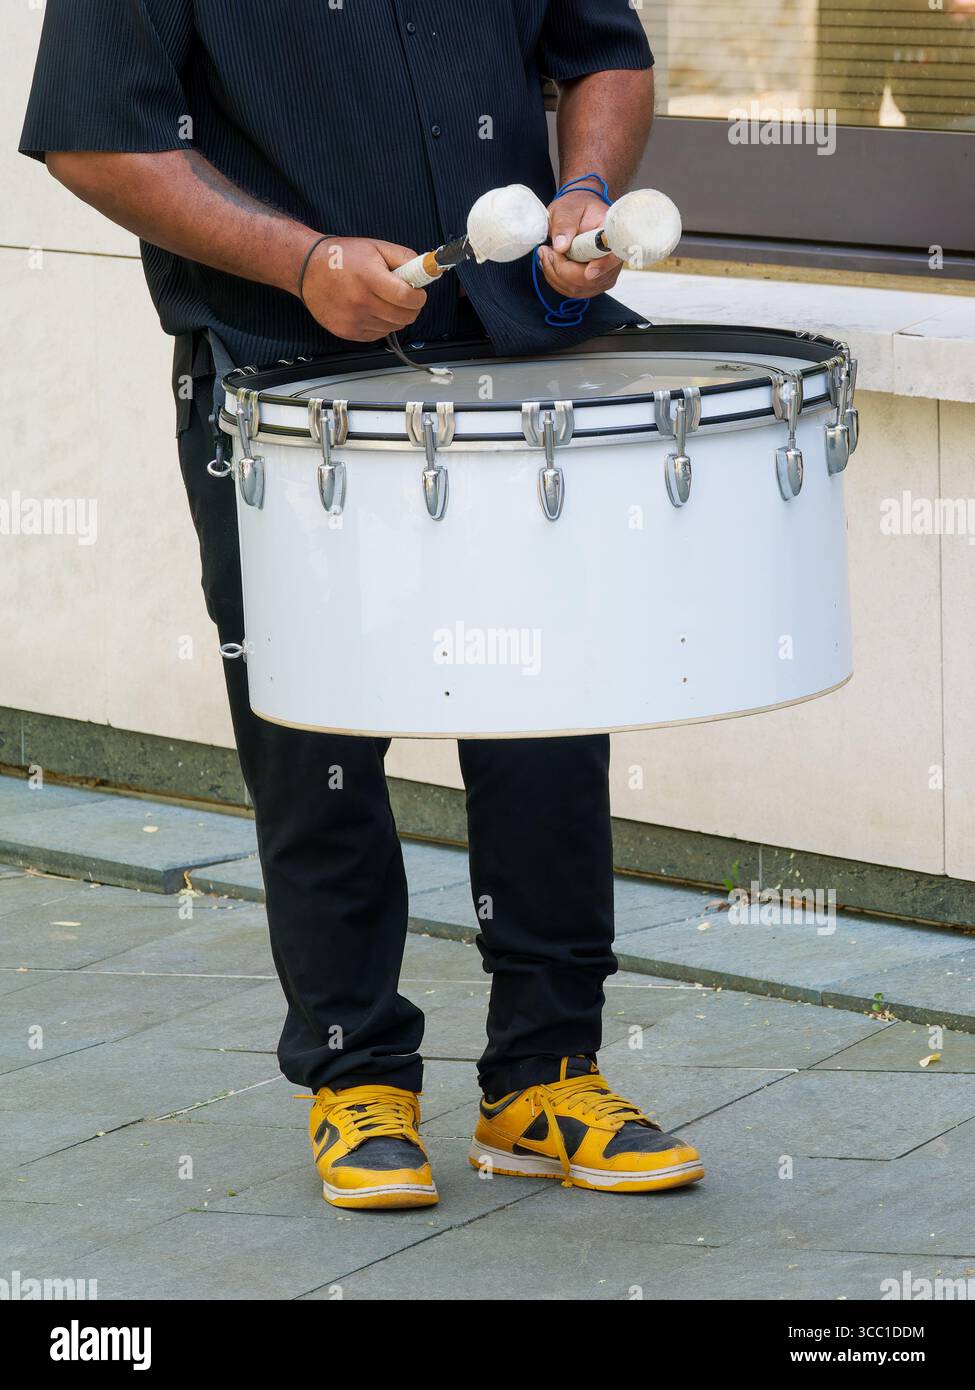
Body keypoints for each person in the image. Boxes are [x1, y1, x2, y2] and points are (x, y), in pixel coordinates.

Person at [21, 0, 704, 1210]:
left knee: (546, 722)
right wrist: (300, 260)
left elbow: (603, 53)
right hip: (284, 379)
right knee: (313, 738)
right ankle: (356, 1076)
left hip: (509, 361)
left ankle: (544, 1075)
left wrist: (585, 194)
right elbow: (91, 135)